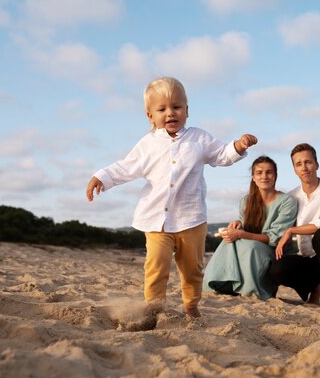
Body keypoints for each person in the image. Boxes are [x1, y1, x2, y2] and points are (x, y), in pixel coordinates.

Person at [86, 76, 257, 318]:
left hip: (192, 220)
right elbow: (127, 166)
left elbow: (221, 155)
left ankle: (191, 305)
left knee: (192, 269)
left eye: (177, 107)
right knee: (156, 264)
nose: (170, 113)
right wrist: (101, 177)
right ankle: (154, 306)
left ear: (187, 110)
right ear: (150, 115)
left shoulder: (199, 138)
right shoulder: (148, 144)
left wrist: (238, 146)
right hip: (156, 220)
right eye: (162, 109)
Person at [203, 156, 297, 300]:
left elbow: (274, 239)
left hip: (276, 251)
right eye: (259, 173)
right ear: (253, 177)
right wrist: (238, 225)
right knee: (228, 241)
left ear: (275, 176)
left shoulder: (287, 202)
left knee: (250, 247)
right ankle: (221, 284)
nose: (264, 176)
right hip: (250, 244)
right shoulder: (246, 201)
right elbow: (245, 225)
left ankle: (251, 290)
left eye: (269, 172)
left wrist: (240, 233)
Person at [270, 143, 320, 308]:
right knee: (277, 270)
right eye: (298, 164)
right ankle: (314, 287)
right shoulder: (291, 196)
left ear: (317, 164)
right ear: (294, 169)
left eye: (308, 162)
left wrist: (292, 230)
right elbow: (274, 222)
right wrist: (241, 224)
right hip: (309, 260)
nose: (304, 168)